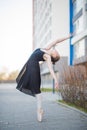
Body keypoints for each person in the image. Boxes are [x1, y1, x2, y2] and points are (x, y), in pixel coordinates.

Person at [16, 34, 72, 122]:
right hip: (30, 67)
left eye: (57, 53)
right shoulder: (46, 49)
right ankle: (40, 109)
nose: (57, 51)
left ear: (54, 56)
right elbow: (56, 40)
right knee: (36, 90)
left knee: (37, 91)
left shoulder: (48, 56)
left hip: (34, 69)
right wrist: (68, 37)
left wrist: (56, 80)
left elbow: (50, 69)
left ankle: (39, 110)